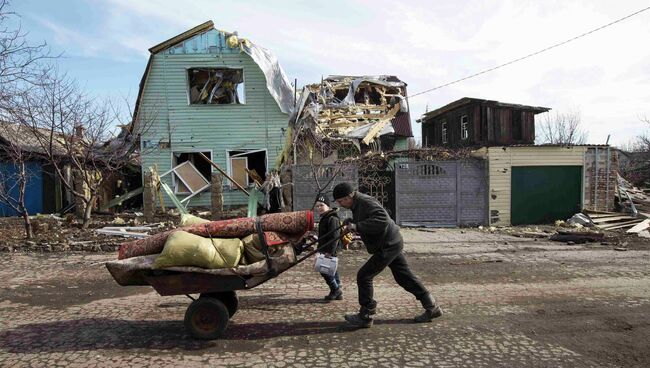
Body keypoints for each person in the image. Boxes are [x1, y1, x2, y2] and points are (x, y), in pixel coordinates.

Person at [332, 182, 442, 328]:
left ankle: (366, 315)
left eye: (340, 201)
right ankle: (431, 306)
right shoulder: (357, 203)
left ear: (348, 196)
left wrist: (357, 226)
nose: (340, 205)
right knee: (404, 277)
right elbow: (369, 219)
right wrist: (352, 222)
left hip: (388, 244)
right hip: (390, 242)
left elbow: (382, 220)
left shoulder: (365, 201)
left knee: (364, 275)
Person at [314, 194, 343, 301]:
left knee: (324, 269)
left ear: (328, 206)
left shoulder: (332, 218)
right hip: (325, 248)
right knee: (332, 269)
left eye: (321, 205)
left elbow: (335, 237)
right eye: (317, 206)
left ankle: (335, 289)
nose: (319, 208)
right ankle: (337, 290)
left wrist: (329, 252)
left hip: (330, 249)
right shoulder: (325, 217)